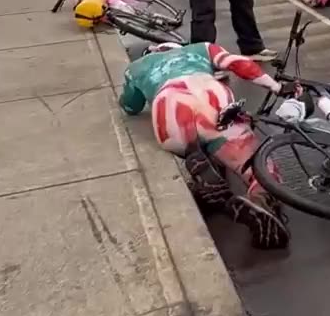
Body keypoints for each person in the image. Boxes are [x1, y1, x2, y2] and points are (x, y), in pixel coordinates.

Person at [118, 40, 290, 247]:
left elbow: (130, 106)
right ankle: (261, 199)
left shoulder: (137, 67)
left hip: (169, 105)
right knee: (257, 166)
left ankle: (202, 168)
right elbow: (238, 63)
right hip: (210, 96)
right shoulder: (201, 49)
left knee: (191, 144)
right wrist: (277, 87)